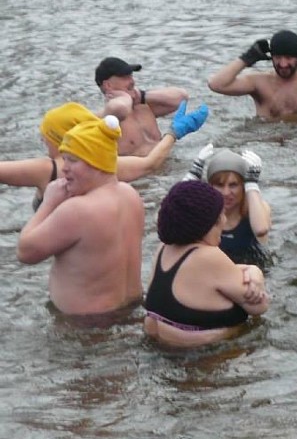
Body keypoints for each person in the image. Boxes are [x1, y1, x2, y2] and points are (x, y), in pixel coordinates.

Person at [16, 115, 145, 317]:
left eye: (73, 160)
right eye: (64, 158)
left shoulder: (78, 210)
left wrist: (48, 203)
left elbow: (25, 252)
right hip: (131, 312)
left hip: (84, 328)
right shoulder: (131, 195)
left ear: (98, 162)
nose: (64, 168)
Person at [2, 101, 207, 212]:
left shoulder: (48, 169)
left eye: (45, 136)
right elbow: (150, 163)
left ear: (57, 137)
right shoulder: (103, 163)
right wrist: (175, 132)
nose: (43, 142)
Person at [144, 180, 269, 348]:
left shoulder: (163, 249)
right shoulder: (209, 257)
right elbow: (259, 306)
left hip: (157, 348)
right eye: (221, 216)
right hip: (204, 359)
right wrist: (256, 273)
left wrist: (249, 270)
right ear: (205, 224)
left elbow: (211, 279)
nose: (224, 221)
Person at [181, 145, 272, 268]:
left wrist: (251, 183)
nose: (226, 192)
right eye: (219, 185)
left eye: (233, 185)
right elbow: (167, 220)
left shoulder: (257, 209)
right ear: (210, 186)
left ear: (243, 186)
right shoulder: (203, 215)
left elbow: (261, 230)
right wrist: (192, 176)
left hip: (253, 277)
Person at [94, 56, 190, 156]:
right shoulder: (105, 117)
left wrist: (142, 95)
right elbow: (120, 108)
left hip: (169, 168)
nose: (132, 81)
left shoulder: (144, 107)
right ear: (108, 85)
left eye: (131, 75)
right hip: (140, 170)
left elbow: (182, 97)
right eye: (125, 77)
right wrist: (125, 96)